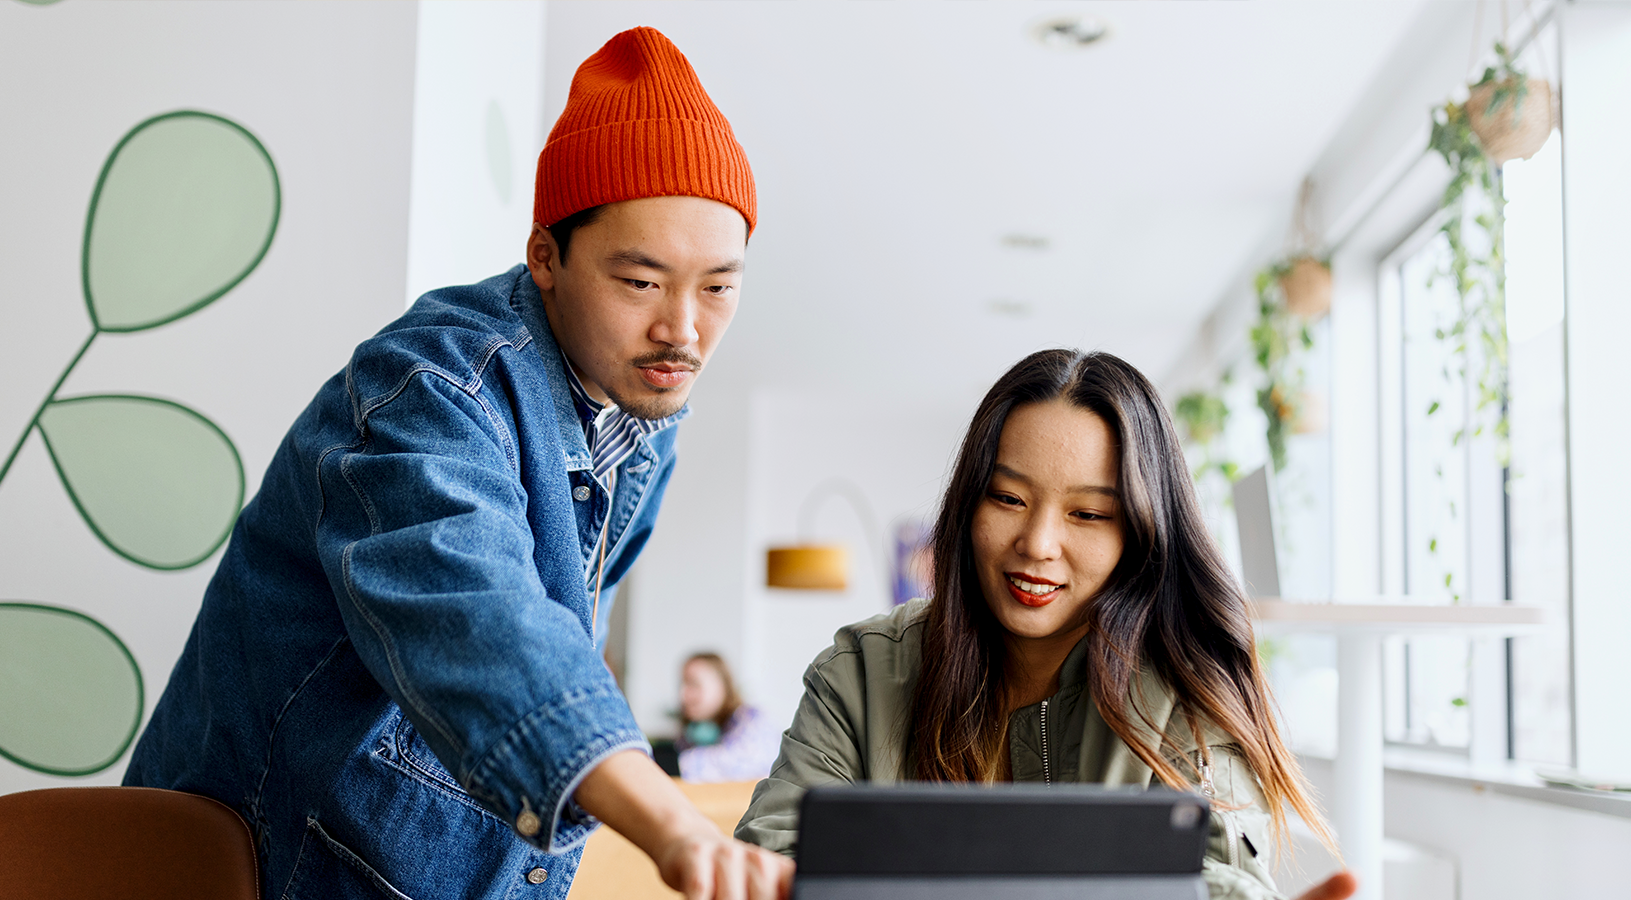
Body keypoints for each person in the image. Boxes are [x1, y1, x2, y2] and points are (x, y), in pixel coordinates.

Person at [125, 27, 792, 900]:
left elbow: (566, 644)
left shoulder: (640, 422)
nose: (683, 328)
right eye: (641, 282)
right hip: (285, 871)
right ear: (546, 257)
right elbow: (481, 621)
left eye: (718, 286)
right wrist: (671, 825)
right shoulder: (430, 388)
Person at [735, 349, 1356, 900]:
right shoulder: (860, 673)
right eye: (1008, 499)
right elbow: (771, 864)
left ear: (1140, 533)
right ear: (967, 503)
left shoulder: (1186, 689)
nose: (1037, 543)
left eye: (1087, 513)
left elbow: (1220, 881)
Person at [670, 652, 782, 783]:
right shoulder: (692, 733)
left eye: (693, 684)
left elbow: (743, 765)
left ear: (722, 685)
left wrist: (675, 763)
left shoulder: (753, 721)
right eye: (682, 685)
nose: (683, 694)